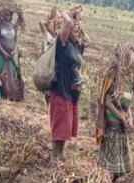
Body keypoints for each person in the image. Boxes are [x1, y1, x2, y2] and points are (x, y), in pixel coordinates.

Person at [97, 42, 134, 183]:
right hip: (113, 127)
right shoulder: (113, 75)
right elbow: (106, 101)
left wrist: (130, 119)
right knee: (108, 167)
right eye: (128, 62)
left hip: (122, 127)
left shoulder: (127, 79)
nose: (129, 66)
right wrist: (121, 117)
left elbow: (129, 105)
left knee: (119, 168)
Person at [49, 10, 84, 163]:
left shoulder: (74, 46)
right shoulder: (61, 43)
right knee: (59, 125)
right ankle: (53, 156)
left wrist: (80, 28)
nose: (77, 33)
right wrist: (64, 13)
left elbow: (88, 40)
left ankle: (60, 154)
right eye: (74, 31)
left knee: (66, 126)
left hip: (71, 93)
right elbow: (68, 23)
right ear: (67, 31)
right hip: (60, 90)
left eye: (77, 31)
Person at [0, 8, 23, 101]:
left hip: (11, 55)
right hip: (0, 55)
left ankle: (11, 93)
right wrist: (3, 52)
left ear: (11, 15)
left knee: (13, 74)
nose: (7, 16)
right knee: (0, 74)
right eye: (5, 14)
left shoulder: (13, 26)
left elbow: (16, 40)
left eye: (9, 14)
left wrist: (14, 50)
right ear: (2, 15)